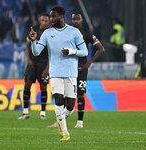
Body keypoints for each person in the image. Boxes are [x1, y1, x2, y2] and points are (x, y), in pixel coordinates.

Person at [29, 6, 88, 141]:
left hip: (71, 73)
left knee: (71, 106)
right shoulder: (47, 33)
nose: (52, 19)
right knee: (59, 100)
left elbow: (85, 52)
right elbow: (36, 52)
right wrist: (33, 41)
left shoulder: (74, 32)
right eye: (50, 17)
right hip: (55, 72)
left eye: (54, 16)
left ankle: (60, 118)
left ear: (62, 16)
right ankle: (65, 134)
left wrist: (72, 52)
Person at [48, 12, 104, 129]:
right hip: (67, 68)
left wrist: (88, 63)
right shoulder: (66, 32)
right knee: (62, 95)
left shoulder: (87, 33)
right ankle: (60, 121)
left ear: (82, 20)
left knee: (80, 94)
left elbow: (101, 49)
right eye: (74, 19)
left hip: (81, 68)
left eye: (78, 19)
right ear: (71, 20)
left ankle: (80, 122)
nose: (76, 21)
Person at [18, 13, 50, 120]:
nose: (44, 23)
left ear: (49, 22)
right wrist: (29, 60)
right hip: (32, 63)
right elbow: (27, 47)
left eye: (46, 21)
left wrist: (47, 68)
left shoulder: (51, 34)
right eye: (42, 20)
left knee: (43, 87)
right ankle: (25, 112)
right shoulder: (34, 31)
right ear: (40, 21)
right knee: (27, 85)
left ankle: (43, 113)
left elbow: (52, 53)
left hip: (44, 64)